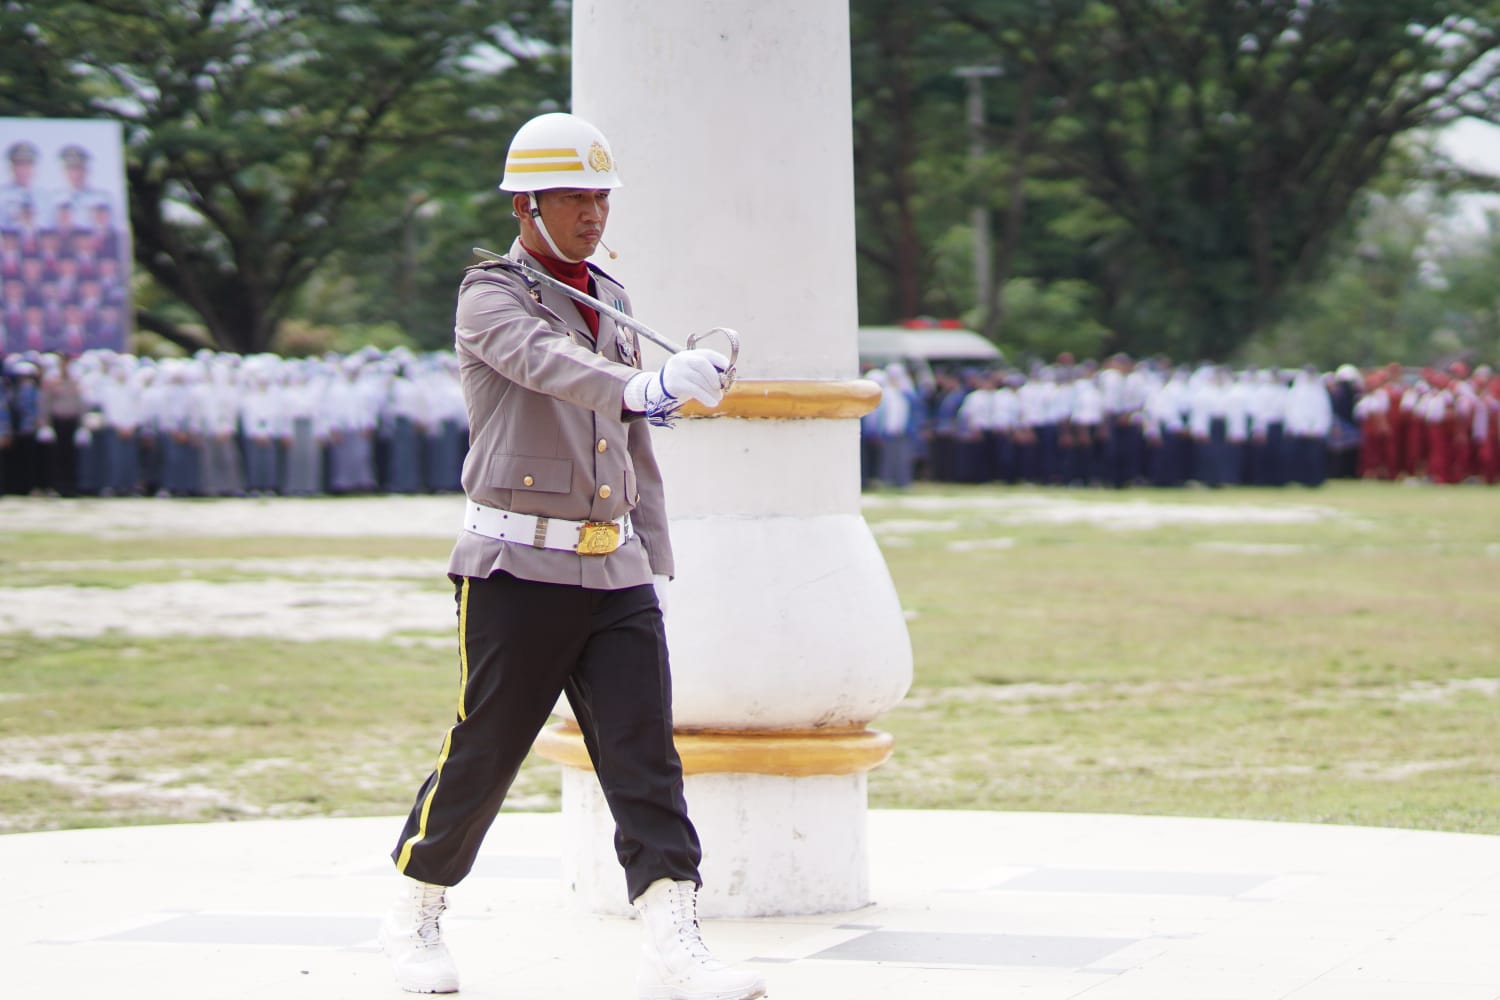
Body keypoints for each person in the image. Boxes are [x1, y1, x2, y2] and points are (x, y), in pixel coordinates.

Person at [379, 111, 766, 1000]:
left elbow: (627, 442)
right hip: (517, 566)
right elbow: (551, 366)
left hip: (612, 566)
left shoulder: (611, 297)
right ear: (526, 204)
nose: (594, 213)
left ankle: (674, 941)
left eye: (600, 196)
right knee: (489, 749)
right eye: (574, 197)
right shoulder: (490, 295)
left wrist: (652, 533)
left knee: (644, 755)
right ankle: (415, 909)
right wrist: (641, 384)